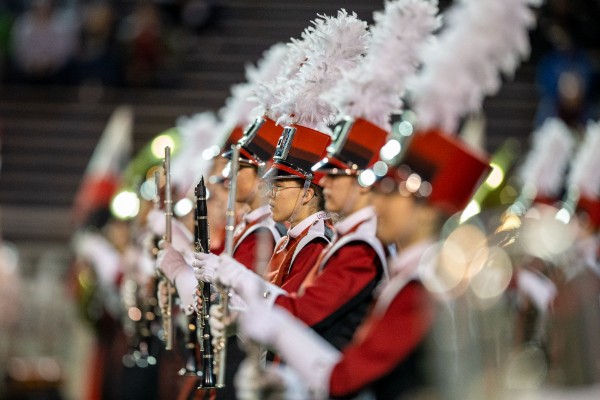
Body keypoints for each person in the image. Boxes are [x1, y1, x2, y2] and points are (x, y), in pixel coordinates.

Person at [235, 128, 491, 399]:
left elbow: (345, 377)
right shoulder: (419, 275)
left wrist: (277, 328)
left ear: (428, 212)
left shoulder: (422, 285)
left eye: (391, 192)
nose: (376, 203)